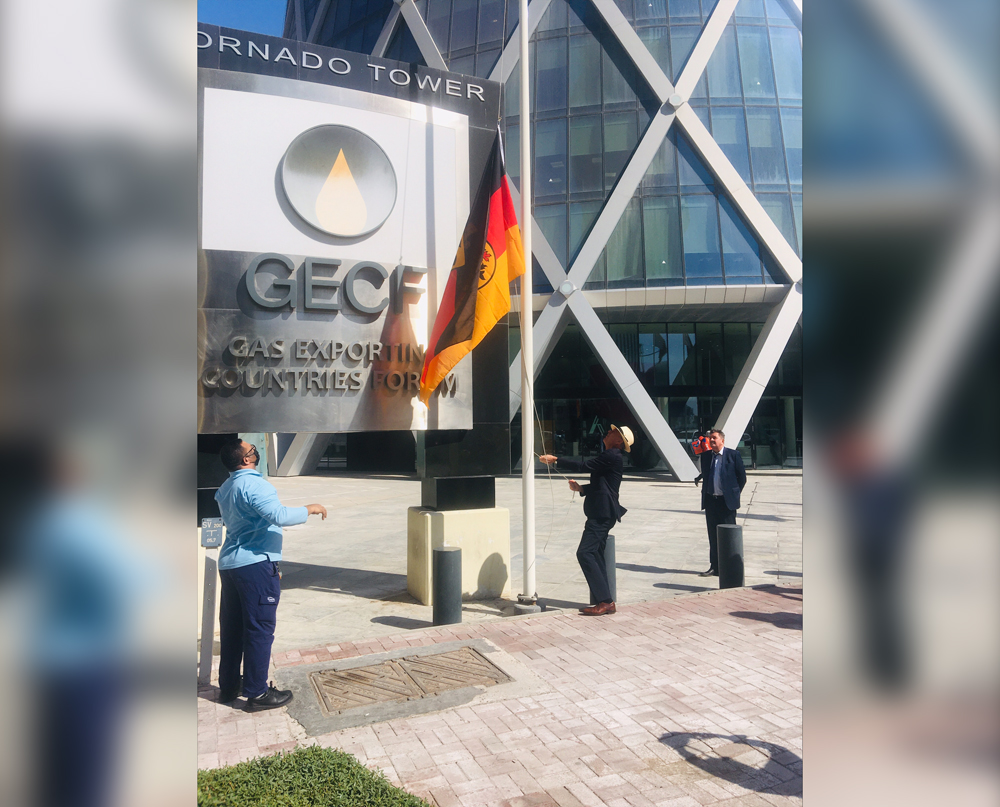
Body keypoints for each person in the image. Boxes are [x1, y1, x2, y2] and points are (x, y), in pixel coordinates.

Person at [215, 439, 327, 710]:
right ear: (246, 459)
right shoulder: (254, 483)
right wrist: (309, 509)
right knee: (259, 629)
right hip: (254, 566)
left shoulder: (225, 487)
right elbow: (279, 515)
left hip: (230, 564)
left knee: (233, 629)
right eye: (251, 448)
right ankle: (257, 692)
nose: (256, 451)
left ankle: (229, 686)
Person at [540, 424, 633, 615]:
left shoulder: (612, 455)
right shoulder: (610, 457)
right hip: (602, 513)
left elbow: (584, 466)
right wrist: (582, 489)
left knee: (585, 553)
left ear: (618, 440)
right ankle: (606, 600)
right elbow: (603, 485)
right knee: (594, 554)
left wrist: (556, 460)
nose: (607, 432)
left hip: (602, 514)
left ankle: (606, 601)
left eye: (612, 432)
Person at [698, 428, 746, 577]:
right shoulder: (706, 457)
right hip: (711, 501)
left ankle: (730, 566)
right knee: (713, 535)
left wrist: (733, 493)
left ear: (722, 440)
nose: (711, 441)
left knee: (729, 535)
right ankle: (715, 567)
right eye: (710, 439)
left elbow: (742, 478)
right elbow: (706, 476)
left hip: (726, 503)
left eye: (714, 438)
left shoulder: (733, 455)